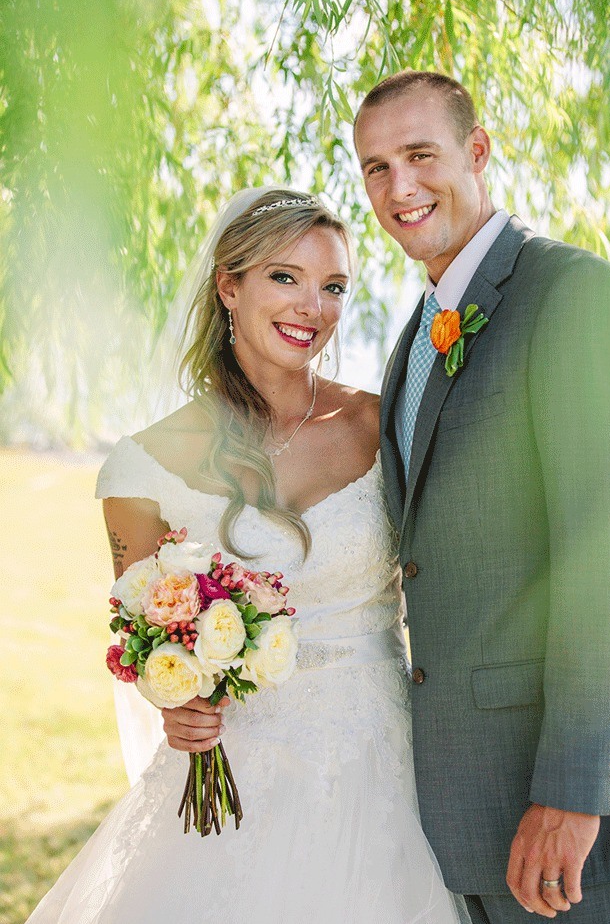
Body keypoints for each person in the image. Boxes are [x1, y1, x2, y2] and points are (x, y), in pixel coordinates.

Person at [25, 187, 466, 924]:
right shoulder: (143, 469)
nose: (313, 309)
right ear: (230, 286)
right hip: (232, 779)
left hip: (386, 771)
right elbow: (145, 640)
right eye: (284, 278)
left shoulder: (382, 422)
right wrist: (175, 705)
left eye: (332, 288)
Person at [353, 70, 610, 924]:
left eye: (420, 154)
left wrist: (574, 792)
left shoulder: (571, 295)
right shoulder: (414, 338)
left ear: (478, 152)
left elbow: (605, 553)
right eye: (374, 167)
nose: (399, 187)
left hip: (560, 824)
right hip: (462, 811)